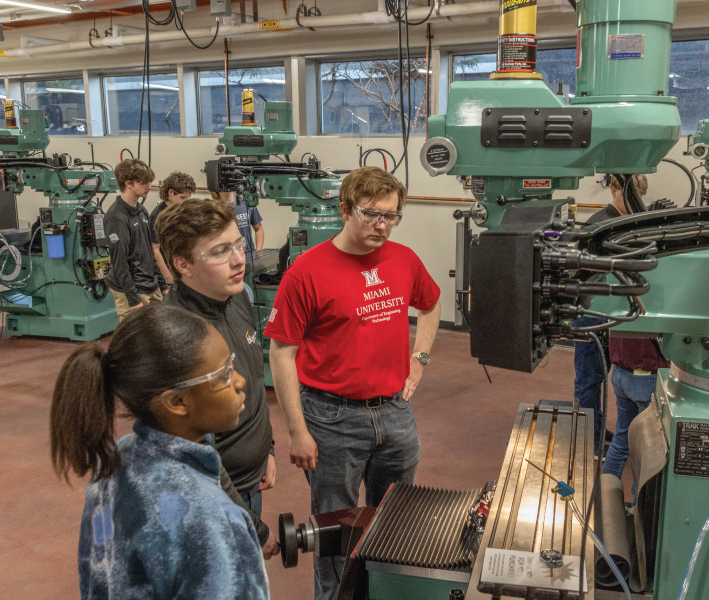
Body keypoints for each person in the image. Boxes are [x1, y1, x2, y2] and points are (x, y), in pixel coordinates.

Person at [264, 166, 441, 600]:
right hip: (331, 418)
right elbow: (281, 354)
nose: (382, 225)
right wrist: (297, 431)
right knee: (335, 533)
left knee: (396, 521)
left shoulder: (404, 260)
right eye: (372, 214)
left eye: (392, 216)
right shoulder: (306, 272)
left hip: (395, 413)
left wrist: (419, 360)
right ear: (345, 209)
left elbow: (431, 305)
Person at [49, 305, 271, 600]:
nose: (240, 381)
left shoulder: (117, 461)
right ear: (177, 401)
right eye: (224, 376)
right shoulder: (211, 519)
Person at [156, 198, 279, 556]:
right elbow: (192, 454)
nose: (240, 259)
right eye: (221, 251)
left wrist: (265, 449)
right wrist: (252, 527)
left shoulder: (234, 296)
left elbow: (253, 379)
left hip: (249, 482)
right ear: (183, 265)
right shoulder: (178, 336)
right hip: (214, 499)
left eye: (238, 244)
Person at [574, 174, 650, 459]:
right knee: (589, 379)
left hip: (615, 313)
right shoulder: (598, 226)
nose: (634, 206)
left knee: (610, 376)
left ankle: (596, 429)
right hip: (591, 313)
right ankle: (588, 442)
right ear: (615, 191)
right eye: (629, 199)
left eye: (638, 200)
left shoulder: (632, 223)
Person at [105, 159, 168, 320]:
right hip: (132, 290)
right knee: (135, 341)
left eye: (150, 182)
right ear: (128, 183)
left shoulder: (141, 210)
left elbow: (149, 251)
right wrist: (133, 300)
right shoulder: (116, 217)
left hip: (150, 285)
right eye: (144, 182)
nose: (149, 186)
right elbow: (119, 262)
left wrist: (162, 284)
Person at [150, 172, 196, 285]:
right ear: (170, 193)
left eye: (188, 197)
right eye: (182, 197)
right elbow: (155, 249)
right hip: (169, 269)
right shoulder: (158, 216)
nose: (186, 201)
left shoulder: (182, 210)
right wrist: (167, 276)